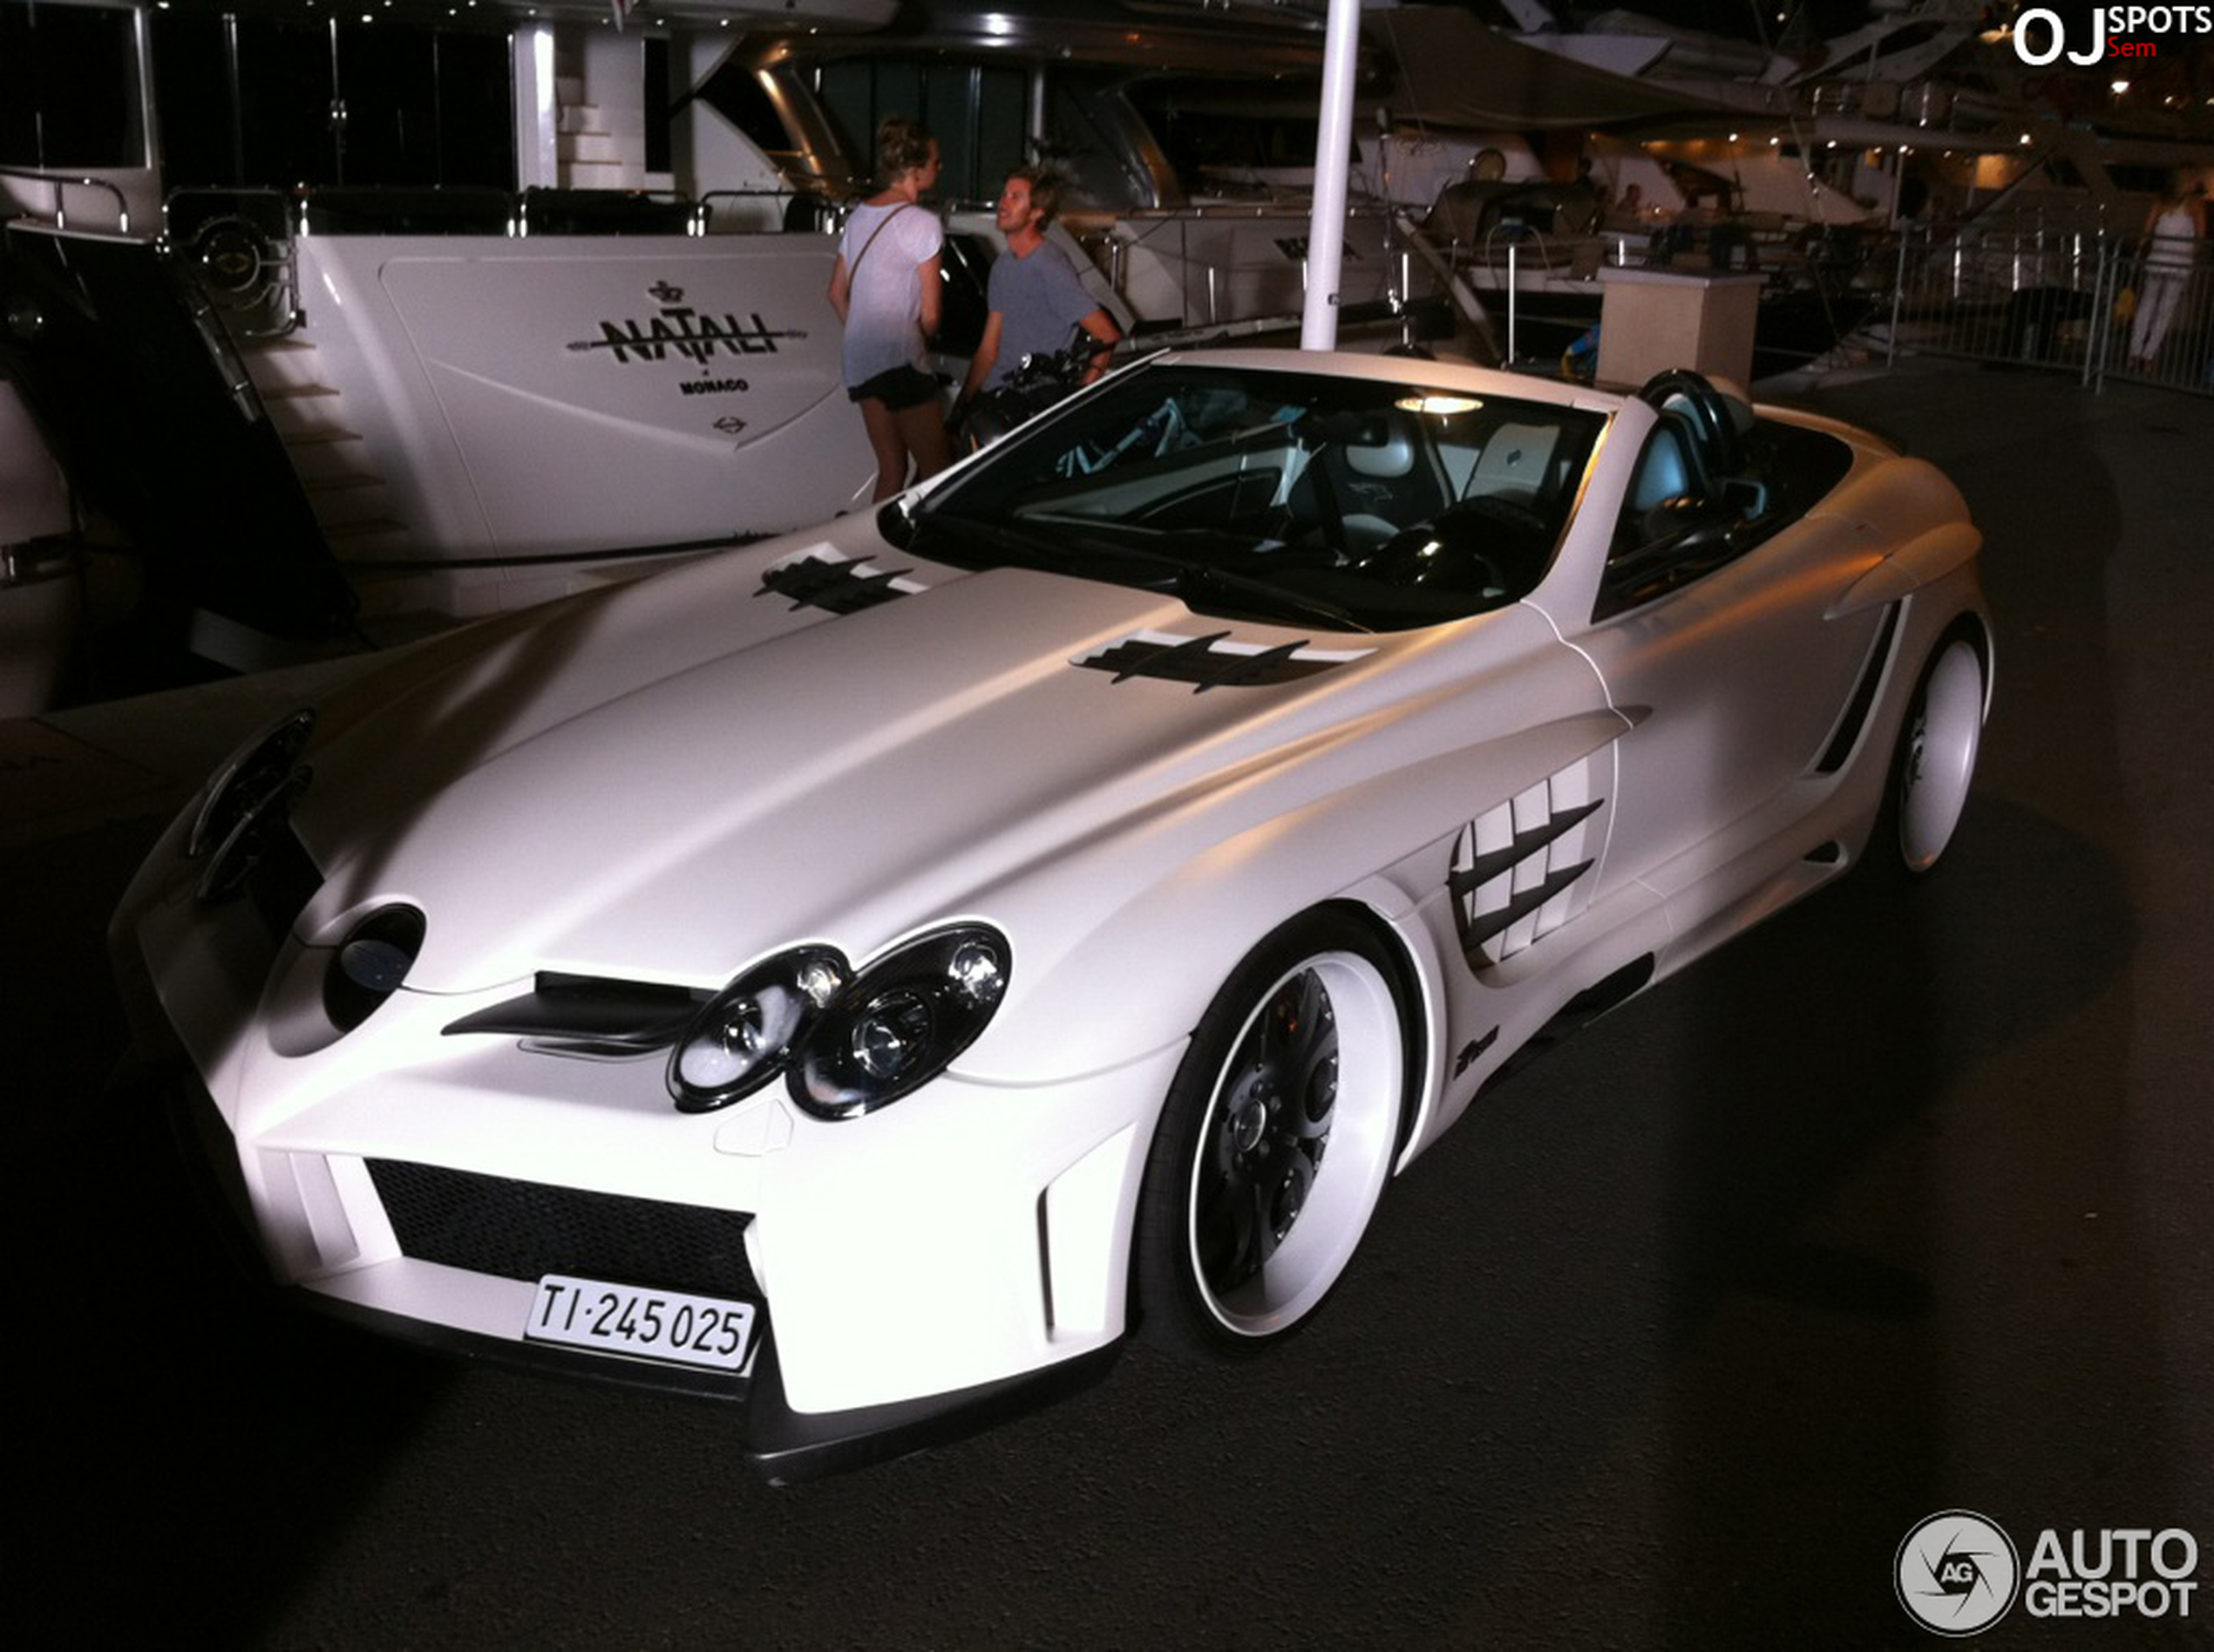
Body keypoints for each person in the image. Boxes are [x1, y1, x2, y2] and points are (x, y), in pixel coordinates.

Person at [827, 116, 953, 500]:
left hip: (860, 359)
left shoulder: (860, 216)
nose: (940, 167)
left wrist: (865, 334)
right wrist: (915, 342)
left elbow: (835, 293)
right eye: (934, 161)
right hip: (900, 360)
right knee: (939, 472)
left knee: (892, 468)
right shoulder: (924, 224)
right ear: (916, 170)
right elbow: (931, 315)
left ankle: (872, 551)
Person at [953, 168, 1122, 422]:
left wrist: (1080, 395)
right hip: (996, 396)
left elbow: (1107, 333)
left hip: (1033, 402)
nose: (1003, 203)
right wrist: (962, 405)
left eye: (1015, 197)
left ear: (1036, 212)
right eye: (1004, 195)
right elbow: (990, 345)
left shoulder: (1049, 265)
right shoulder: (1003, 266)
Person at [2127, 176, 2205, 373]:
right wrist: (2192, 253)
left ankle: (2134, 352)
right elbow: (2201, 236)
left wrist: (2138, 251)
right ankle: (2149, 356)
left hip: (2157, 260)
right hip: (2179, 262)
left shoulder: (2161, 202)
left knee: (2146, 304)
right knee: (2165, 310)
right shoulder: (2196, 205)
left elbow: (2146, 232)